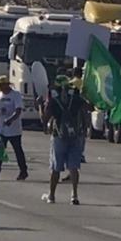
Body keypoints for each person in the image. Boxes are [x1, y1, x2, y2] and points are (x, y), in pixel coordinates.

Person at [43, 74, 90, 206]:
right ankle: (74, 195)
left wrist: (42, 111)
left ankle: (51, 195)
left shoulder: (54, 101)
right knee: (74, 167)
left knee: (56, 168)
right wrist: (85, 129)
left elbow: (46, 117)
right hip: (76, 135)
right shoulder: (75, 99)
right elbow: (86, 111)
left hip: (59, 136)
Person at [0, 74, 27, 181]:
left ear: (7, 85)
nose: (0, 87)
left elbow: (18, 110)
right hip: (1, 128)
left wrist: (10, 119)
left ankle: (23, 171)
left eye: (2, 85)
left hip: (13, 129)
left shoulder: (15, 95)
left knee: (17, 151)